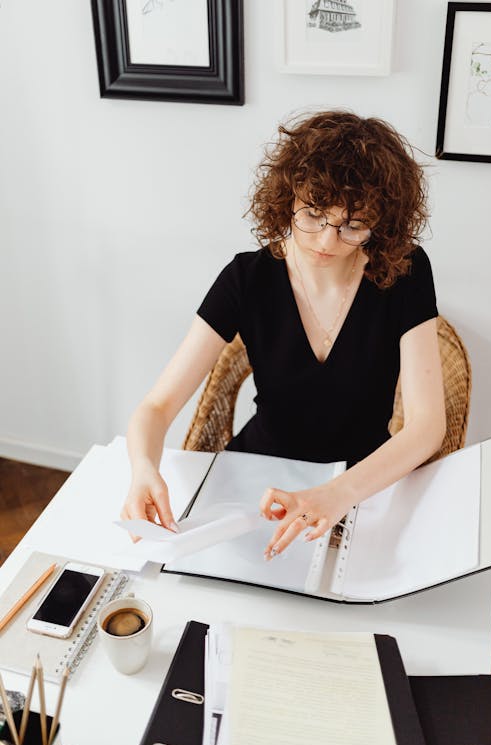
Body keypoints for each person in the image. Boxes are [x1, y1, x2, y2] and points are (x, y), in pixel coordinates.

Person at [120, 110, 446, 561]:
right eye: (313, 214)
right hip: (258, 481)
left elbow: (428, 428)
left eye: (352, 225)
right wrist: (143, 469)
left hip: (364, 483)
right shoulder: (245, 279)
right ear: (287, 199)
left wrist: (336, 494)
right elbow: (155, 408)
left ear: (382, 222)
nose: (328, 241)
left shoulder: (405, 272)